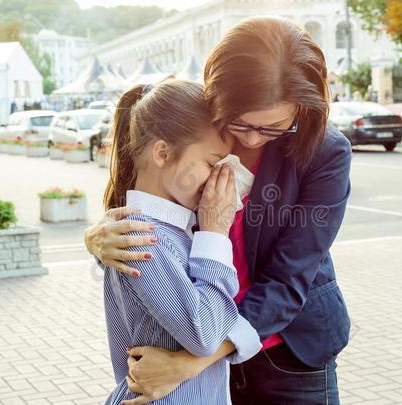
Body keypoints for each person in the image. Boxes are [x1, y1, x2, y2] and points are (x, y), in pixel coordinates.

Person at [85, 17, 351, 405]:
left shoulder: (325, 152)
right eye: (241, 122)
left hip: (286, 350)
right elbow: (148, 199)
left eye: (274, 126)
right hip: (197, 339)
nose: (252, 138)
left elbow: (288, 280)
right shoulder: (198, 123)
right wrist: (95, 237)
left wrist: (190, 362)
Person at [97, 80, 261, 404]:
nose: (220, 179)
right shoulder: (141, 238)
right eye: (212, 164)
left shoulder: (172, 231)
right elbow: (205, 335)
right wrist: (215, 232)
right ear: (162, 152)